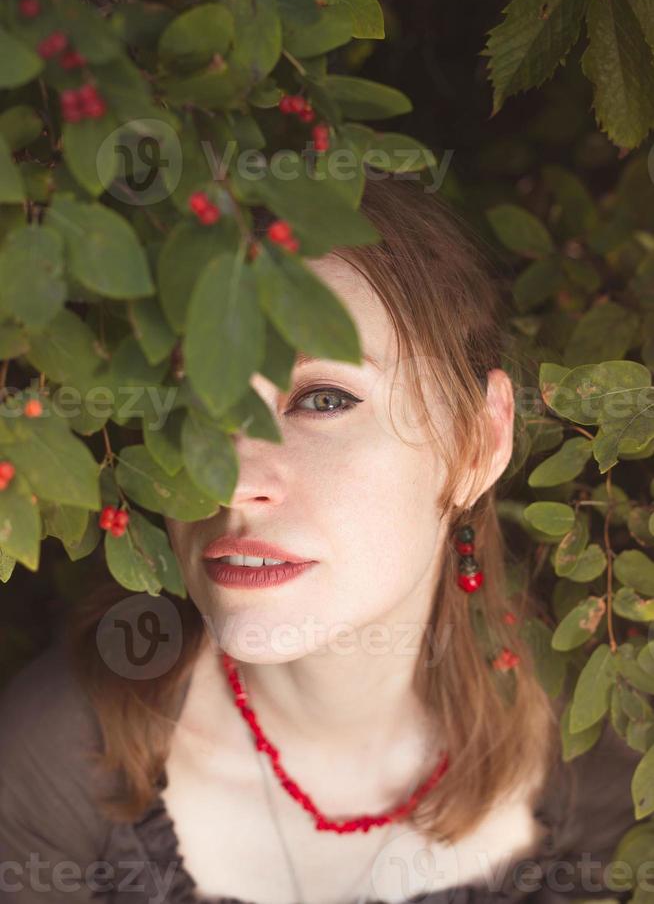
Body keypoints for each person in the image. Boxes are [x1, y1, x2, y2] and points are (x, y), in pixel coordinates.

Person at [0, 177, 642, 904]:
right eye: (200, 406)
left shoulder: (606, 760)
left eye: (322, 399)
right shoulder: (60, 757)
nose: (230, 481)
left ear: (477, 443)